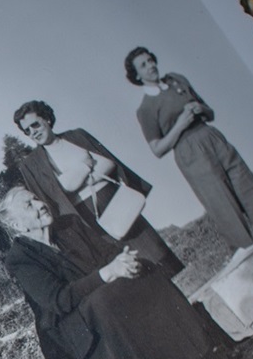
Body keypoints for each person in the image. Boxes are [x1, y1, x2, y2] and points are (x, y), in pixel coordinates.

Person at [0, 187, 225, 359]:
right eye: (28, 205)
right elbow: (58, 300)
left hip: (101, 301)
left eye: (36, 197)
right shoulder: (21, 258)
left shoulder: (70, 226)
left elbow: (109, 252)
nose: (39, 203)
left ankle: (201, 352)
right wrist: (107, 273)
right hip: (68, 331)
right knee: (106, 301)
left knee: (145, 270)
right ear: (16, 224)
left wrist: (125, 261)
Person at [125, 47, 253, 255]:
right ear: (137, 76)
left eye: (150, 60)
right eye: (143, 65)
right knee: (226, 212)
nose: (150, 66)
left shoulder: (177, 80)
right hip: (189, 152)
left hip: (212, 137)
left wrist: (200, 109)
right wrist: (180, 124)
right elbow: (157, 149)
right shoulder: (145, 109)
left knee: (252, 195)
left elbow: (210, 112)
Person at [12, 100, 183, 280]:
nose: (33, 132)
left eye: (35, 125)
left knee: (151, 248)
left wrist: (74, 177)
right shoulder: (32, 164)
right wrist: (86, 166)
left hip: (113, 200)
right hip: (85, 218)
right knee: (123, 262)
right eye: (27, 131)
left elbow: (108, 163)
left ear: (46, 118)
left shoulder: (76, 136)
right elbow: (61, 190)